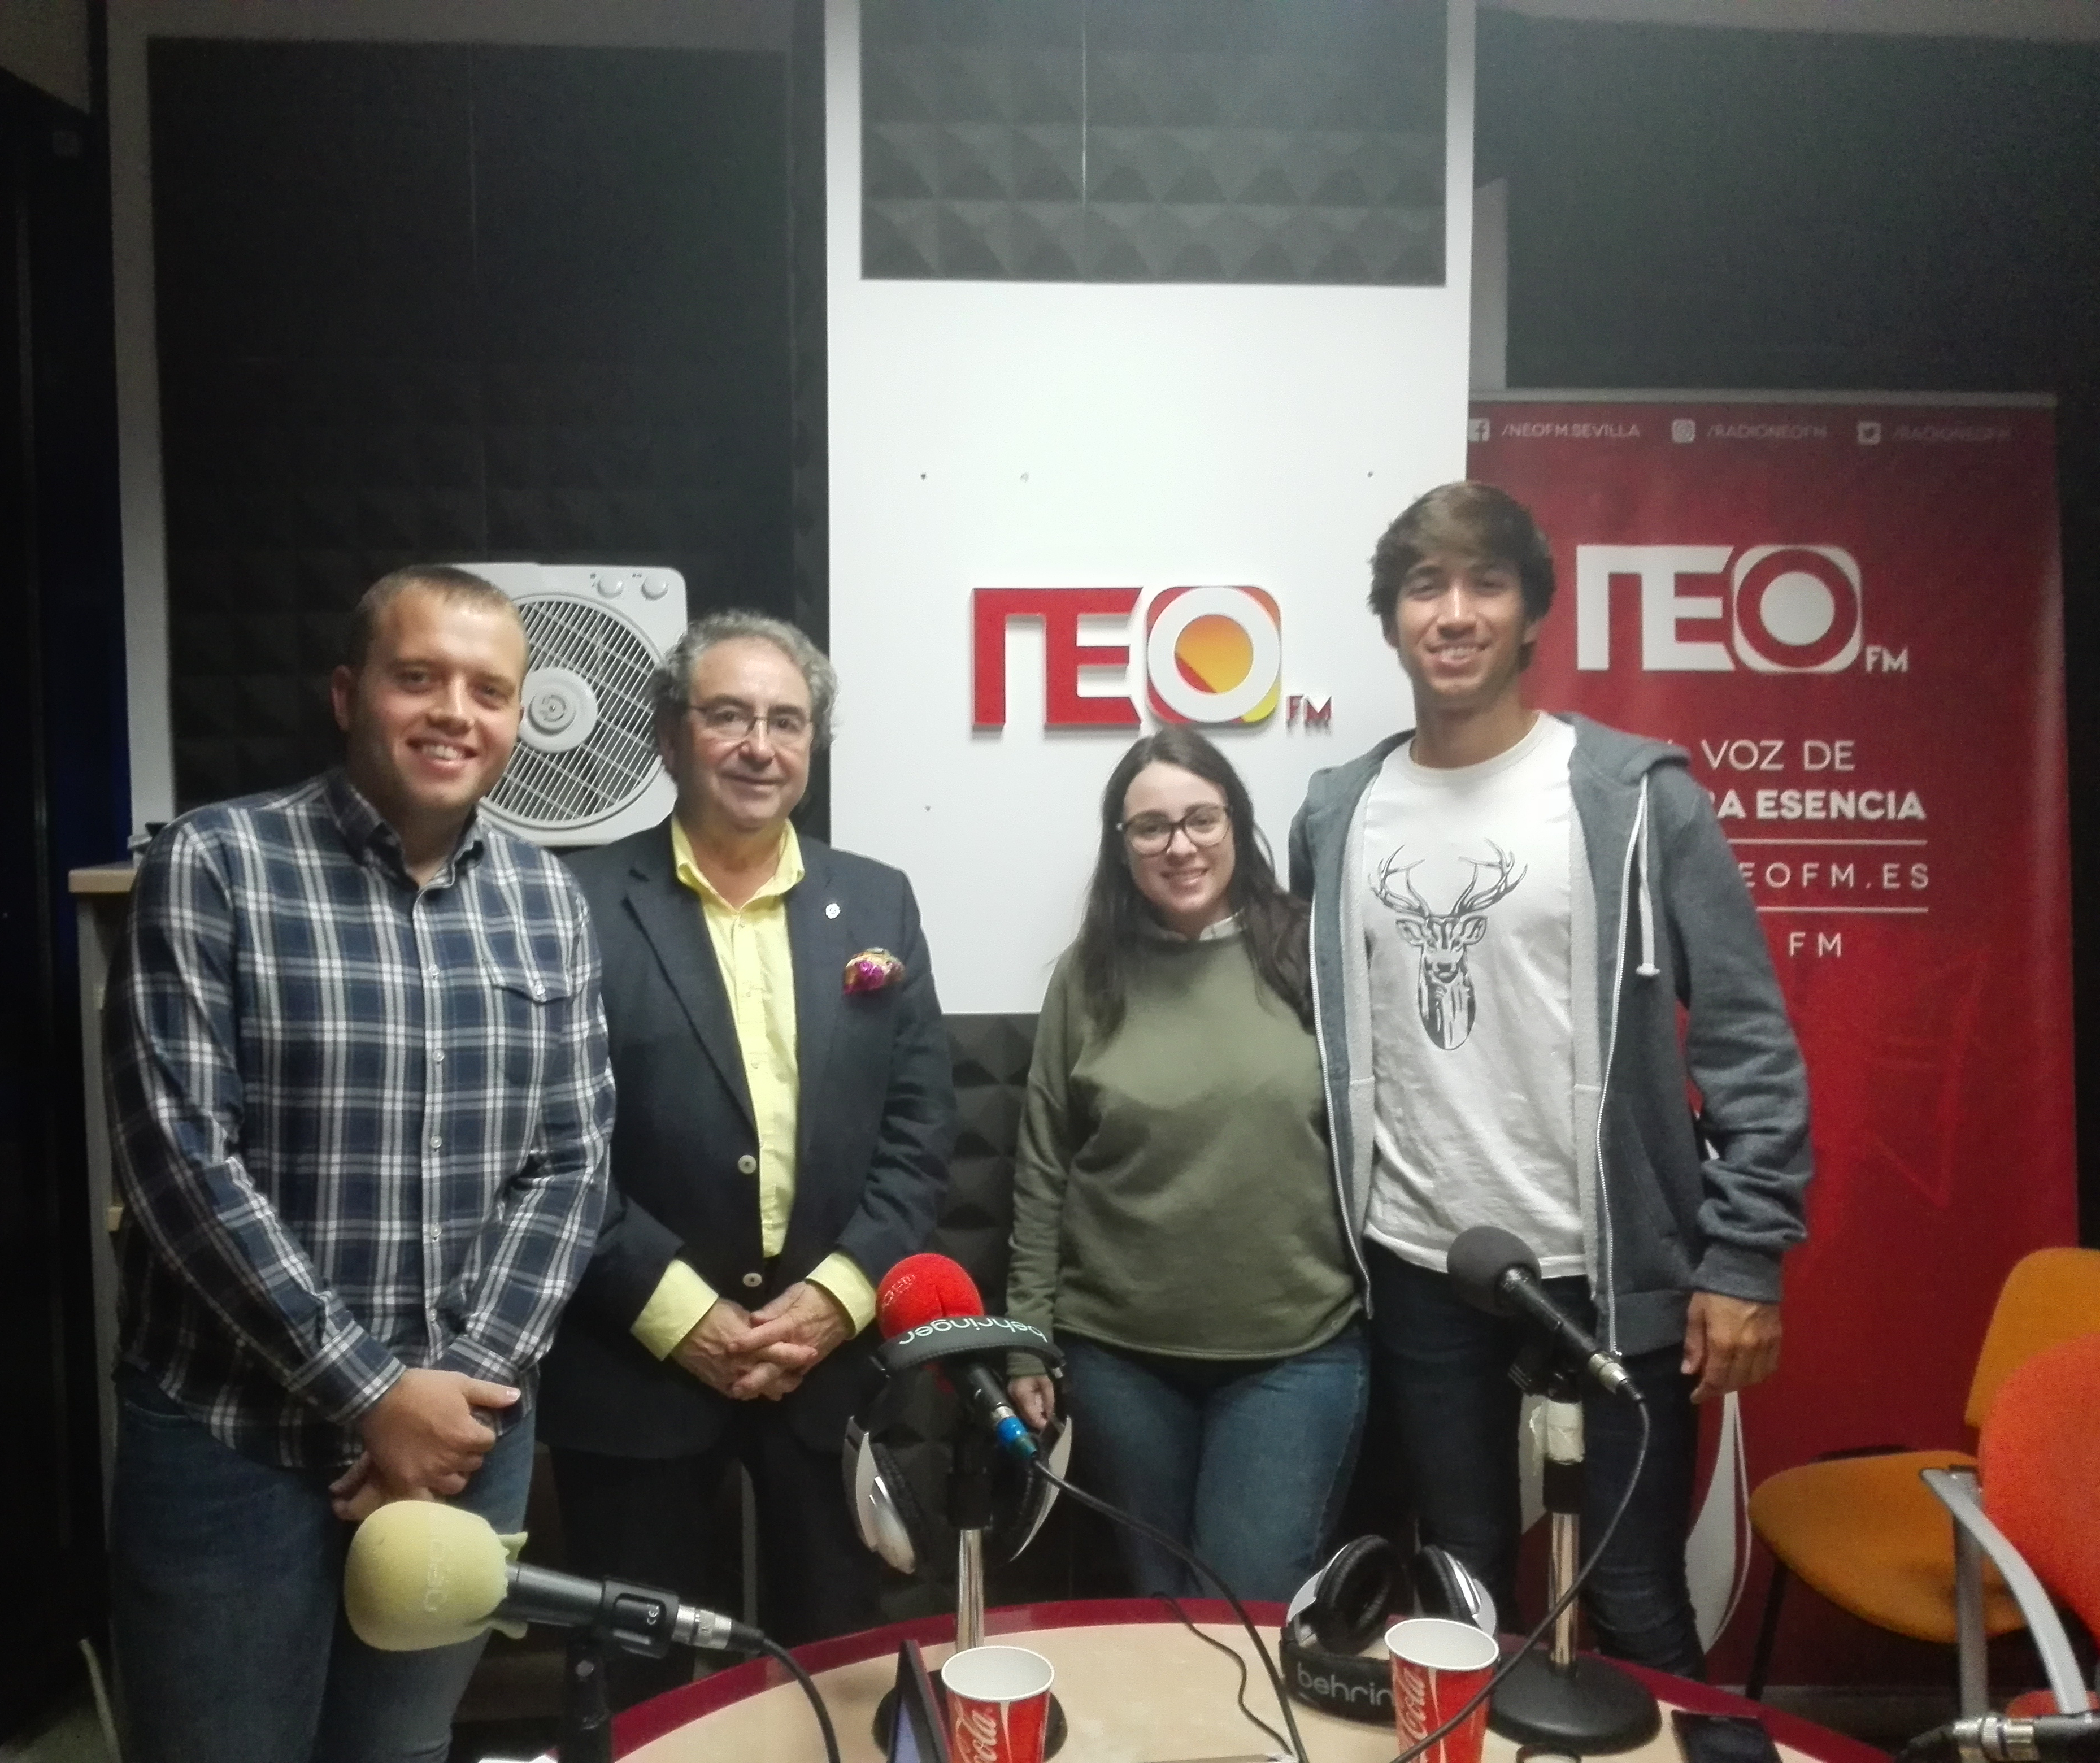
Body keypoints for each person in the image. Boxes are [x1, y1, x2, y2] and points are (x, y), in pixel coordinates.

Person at [1288, 482, 1812, 1677]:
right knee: (1461, 1577)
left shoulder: (1637, 799)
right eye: (1425, 587)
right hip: (1421, 1262)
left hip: (1608, 1267)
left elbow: (1745, 1036)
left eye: (1486, 584)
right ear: (1391, 621)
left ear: (1531, 615)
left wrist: (1744, 1258)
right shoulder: (1336, 814)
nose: (1454, 613)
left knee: (1632, 1592)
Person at [105, 565, 614, 1763]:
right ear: (347, 694)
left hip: (463, 1444)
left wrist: (455, 1401)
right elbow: (181, 1164)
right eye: (418, 678)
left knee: (401, 1751)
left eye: (489, 690)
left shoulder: (547, 899)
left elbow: (571, 1165)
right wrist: (373, 1395)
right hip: (234, 1442)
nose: (455, 713)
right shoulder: (216, 864)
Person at [541, 610, 954, 1693]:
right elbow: (550, 1146)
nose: (759, 746)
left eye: (787, 721)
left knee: (840, 1673)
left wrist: (835, 1302)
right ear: (668, 736)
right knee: (640, 1690)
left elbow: (919, 1133)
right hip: (634, 1368)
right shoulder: (570, 903)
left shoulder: (878, 901)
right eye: (728, 716)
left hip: (828, 1372)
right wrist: (684, 1316)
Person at [1005, 727, 1367, 1604]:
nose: (1180, 845)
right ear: (1122, 846)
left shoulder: (1314, 955)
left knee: (1244, 1601)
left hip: (1297, 1350)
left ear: (1236, 822)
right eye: (1151, 828)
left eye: (1202, 819)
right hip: (1120, 1357)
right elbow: (1043, 1165)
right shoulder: (1089, 978)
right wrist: (1026, 1338)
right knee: (1160, 1608)